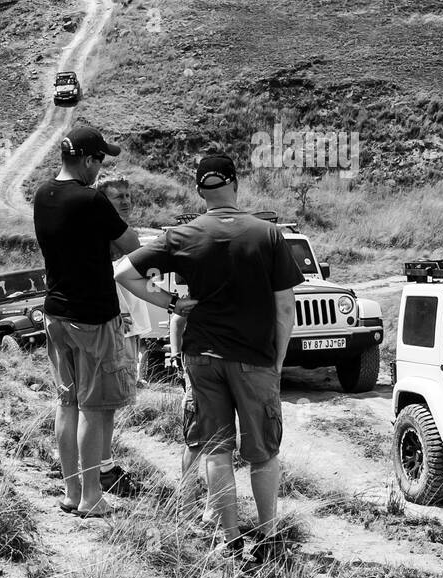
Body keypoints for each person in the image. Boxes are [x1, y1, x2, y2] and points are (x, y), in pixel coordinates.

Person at [115, 154, 303, 555]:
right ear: (236, 184)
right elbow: (285, 309)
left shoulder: (182, 235)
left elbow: (123, 272)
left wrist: (170, 303)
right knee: (263, 454)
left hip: (202, 356)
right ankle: (269, 537)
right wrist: (279, 360)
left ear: (199, 190)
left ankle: (230, 538)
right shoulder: (268, 234)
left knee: (217, 450)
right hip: (256, 358)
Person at [32, 125, 145, 517]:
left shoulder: (42, 195)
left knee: (67, 403)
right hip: (93, 317)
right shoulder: (92, 200)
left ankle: (71, 492)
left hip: (56, 314)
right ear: (86, 159)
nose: (100, 168)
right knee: (93, 408)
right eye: (99, 160)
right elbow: (133, 247)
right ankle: (92, 497)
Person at [93, 174, 152, 496]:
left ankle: (102, 461)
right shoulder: (108, 235)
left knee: (113, 399)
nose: (127, 201)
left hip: (127, 323)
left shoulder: (126, 233)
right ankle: (102, 466)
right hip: (112, 321)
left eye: (129, 195)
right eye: (119, 197)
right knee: (106, 399)